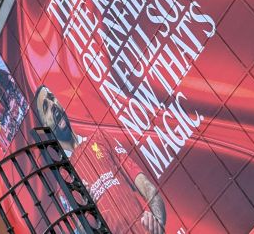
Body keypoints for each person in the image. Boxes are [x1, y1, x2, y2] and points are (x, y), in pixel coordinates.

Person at [33, 86, 167, 234]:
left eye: (52, 98)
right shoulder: (64, 181)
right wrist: (84, 205)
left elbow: (145, 185)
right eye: (45, 107)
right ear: (45, 127)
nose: (52, 105)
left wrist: (158, 223)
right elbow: (81, 230)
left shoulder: (100, 138)